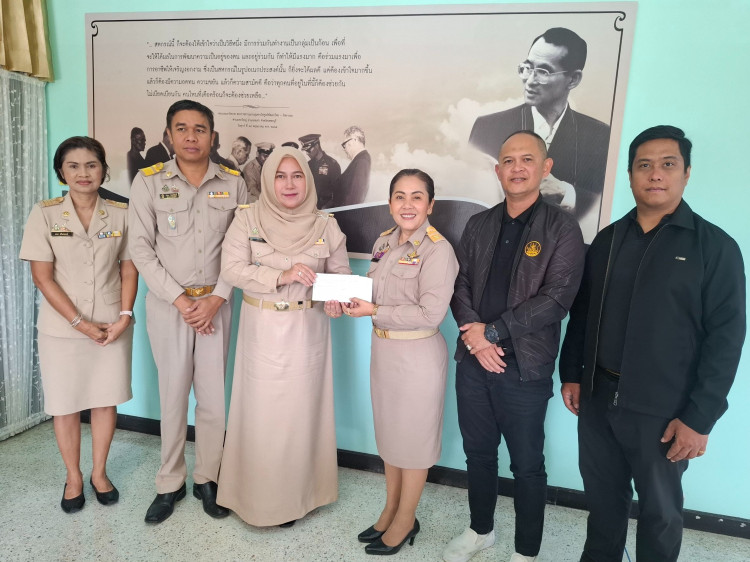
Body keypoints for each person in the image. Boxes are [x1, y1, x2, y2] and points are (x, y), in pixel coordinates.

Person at [559, 125, 746, 562]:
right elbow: (583, 313)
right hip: (598, 399)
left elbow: (727, 339)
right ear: (630, 175)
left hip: (665, 410)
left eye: (668, 164)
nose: (655, 174)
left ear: (686, 173)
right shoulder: (608, 241)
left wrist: (699, 418)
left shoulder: (714, 247)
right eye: (644, 165)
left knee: (660, 514)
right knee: (603, 503)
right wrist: (572, 374)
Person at [444, 131, 585, 562]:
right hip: (473, 362)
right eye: (508, 161)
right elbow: (459, 285)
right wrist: (476, 338)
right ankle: (480, 530)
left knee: (526, 464)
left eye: (527, 159)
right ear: (497, 170)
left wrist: (491, 334)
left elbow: (557, 299)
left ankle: (526, 551)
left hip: (525, 367)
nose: (517, 168)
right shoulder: (479, 224)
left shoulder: (562, 228)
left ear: (546, 168)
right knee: (478, 454)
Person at [217, 146, 351, 527]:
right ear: (268, 179)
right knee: (261, 416)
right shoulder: (247, 219)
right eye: (280, 176)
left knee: (300, 416)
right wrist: (281, 275)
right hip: (261, 331)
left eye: (297, 176)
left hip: (308, 332)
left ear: (307, 181)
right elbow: (231, 269)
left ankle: (296, 499)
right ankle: (252, 497)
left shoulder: (325, 225)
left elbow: (340, 274)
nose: (289, 184)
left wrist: (336, 299)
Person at [128, 99, 248, 524]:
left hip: (216, 305)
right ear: (169, 135)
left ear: (213, 137)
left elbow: (242, 248)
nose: (191, 137)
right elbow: (140, 248)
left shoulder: (233, 182)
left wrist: (217, 298)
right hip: (169, 308)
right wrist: (181, 300)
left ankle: (208, 478)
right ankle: (170, 482)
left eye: (200, 129)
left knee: (214, 400)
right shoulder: (148, 182)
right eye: (182, 128)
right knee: (173, 396)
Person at [19, 136, 137, 513]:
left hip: (112, 325)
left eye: (91, 165)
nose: (83, 173)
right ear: (61, 172)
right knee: (65, 404)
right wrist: (80, 323)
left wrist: (125, 316)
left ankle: (99, 473)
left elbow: (129, 269)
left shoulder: (121, 213)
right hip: (62, 329)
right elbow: (42, 278)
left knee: (104, 400)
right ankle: (73, 476)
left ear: (103, 169)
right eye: (73, 166)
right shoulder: (45, 214)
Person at [345, 169, 458, 555]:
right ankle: (390, 510)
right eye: (399, 196)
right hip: (385, 353)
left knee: (415, 442)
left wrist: (374, 310)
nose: (407, 205)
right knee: (391, 438)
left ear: (430, 204)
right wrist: (346, 299)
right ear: (390, 202)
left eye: (416, 197)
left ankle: (407, 518)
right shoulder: (384, 242)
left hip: (418, 358)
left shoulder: (438, 250)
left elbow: (430, 313)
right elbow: (374, 292)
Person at [469, 27, 610, 220]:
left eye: (544, 71)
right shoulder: (487, 128)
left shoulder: (600, 136)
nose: (530, 81)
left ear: (573, 79)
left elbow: (603, 201)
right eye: (527, 68)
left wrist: (566, 193)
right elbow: (472, 198)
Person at [299, 133, 341, 209]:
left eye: (308, 150)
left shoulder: (332, 164)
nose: (307, 153)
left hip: (327, 208)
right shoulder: (308, 165)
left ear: (317, 146)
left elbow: (338, 194)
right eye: (305, 150)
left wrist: (325, 208)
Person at [337, 125, 371, 207]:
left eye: (344, 144)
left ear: (354, 140)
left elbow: (355, 199)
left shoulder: (361, 161)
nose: (344, 149)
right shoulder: (360, 160)